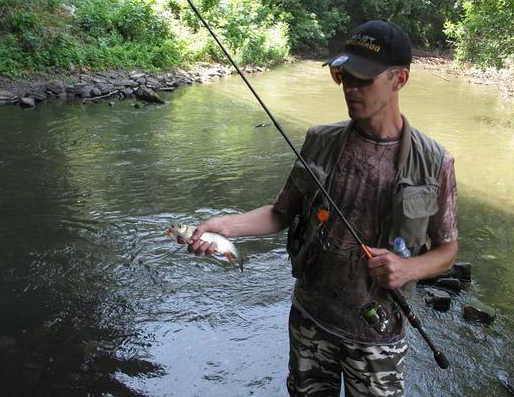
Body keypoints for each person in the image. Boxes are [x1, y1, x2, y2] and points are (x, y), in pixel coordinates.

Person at [188, 20, 458, 397]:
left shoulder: (435, 162)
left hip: (377, 335)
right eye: (342, 76)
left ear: (400, 79)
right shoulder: (319, 141)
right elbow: (280, 213)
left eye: (363, 78)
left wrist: (410, 268)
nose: (350, 87)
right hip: (310, 321)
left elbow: (447, 250)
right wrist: (224, 227)